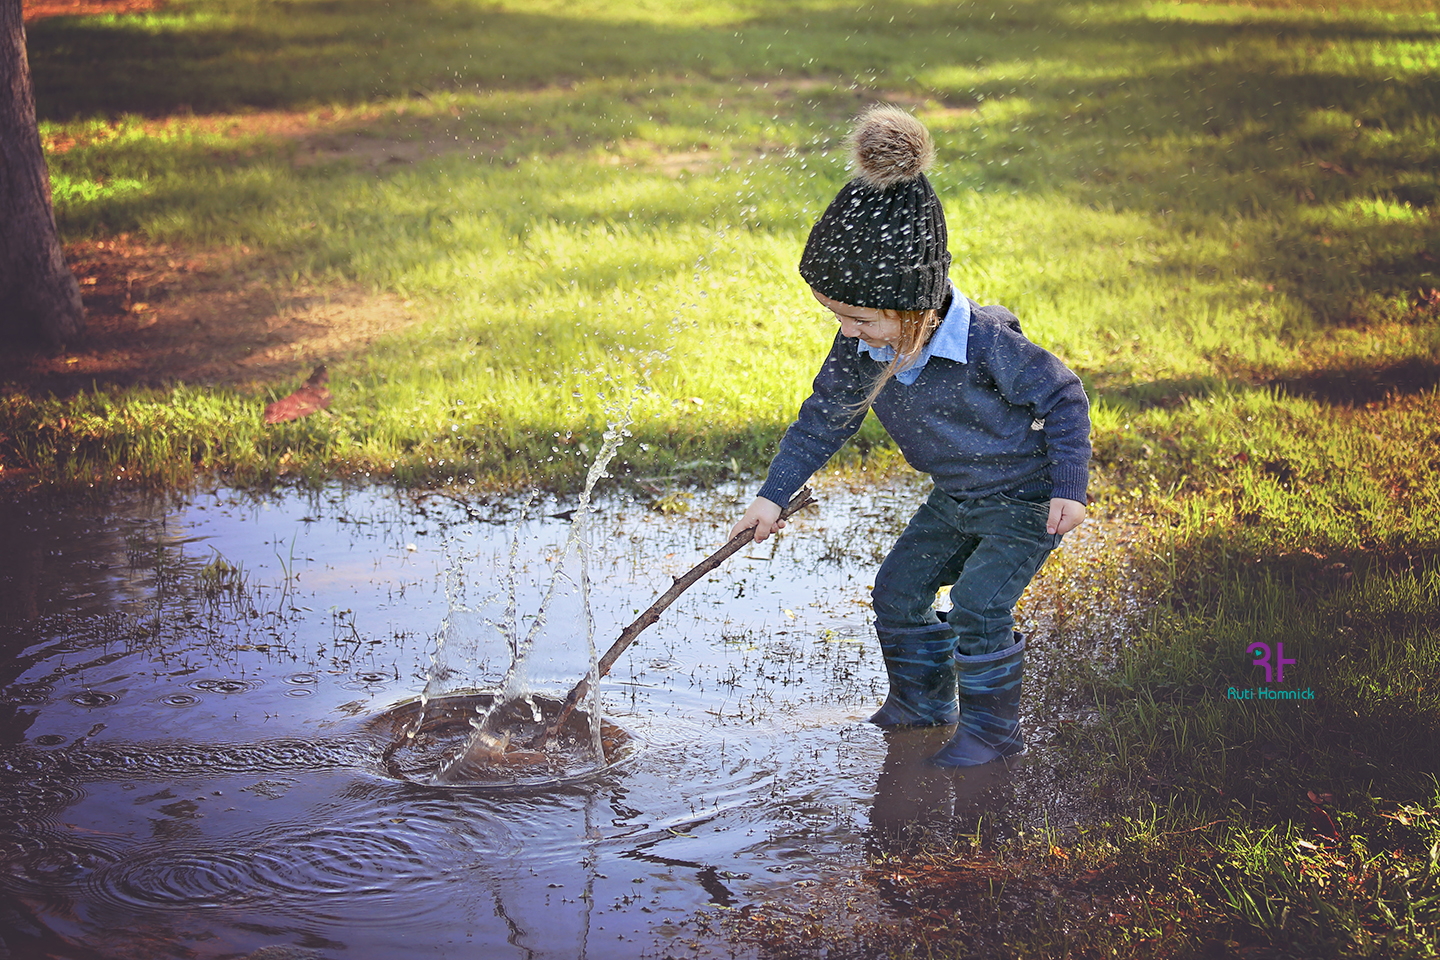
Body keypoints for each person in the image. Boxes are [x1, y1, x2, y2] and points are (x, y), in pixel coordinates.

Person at [729, 105, 1091, 767]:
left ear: (914, 307)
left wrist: (1069, 487)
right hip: (957, 497)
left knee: (981, 601)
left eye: (859, 318)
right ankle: (922, 705)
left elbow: (1063, 395)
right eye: (836, 316)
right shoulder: (864, 350)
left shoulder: (985, 343)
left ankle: (990, 733)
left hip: (1025, 500)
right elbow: (823, 419)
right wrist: (772, 496)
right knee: (898, 588)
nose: (846, 331)